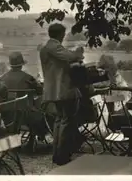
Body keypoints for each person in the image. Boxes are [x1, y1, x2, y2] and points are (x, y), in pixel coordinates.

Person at [40, 23, 84, 165]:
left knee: (60, 120)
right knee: (65, 121)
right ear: (60, 34)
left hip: (55, 90)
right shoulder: (54, 46)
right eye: (63, 34)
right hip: (63, 89)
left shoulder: (47, 48)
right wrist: (78, 53)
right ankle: (62, 156)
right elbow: (70, 57)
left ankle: (57, 154)